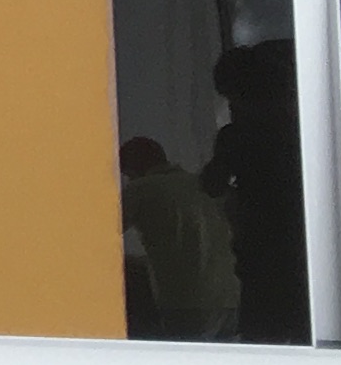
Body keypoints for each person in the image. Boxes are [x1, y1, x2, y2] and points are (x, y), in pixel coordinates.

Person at [204, 44, 310, 344]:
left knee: (264, 337)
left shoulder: (237, 136)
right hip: (306, 246)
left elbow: (212, 184)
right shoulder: (304, 130)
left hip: (262, 248)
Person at [119, 135, 238, 340]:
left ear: (132, 168)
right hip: (230, 295)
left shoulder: (141, 189)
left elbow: (102, 233)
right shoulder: (200, 184)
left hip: (185, 300)